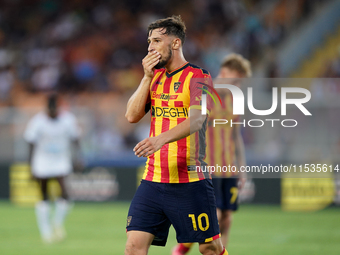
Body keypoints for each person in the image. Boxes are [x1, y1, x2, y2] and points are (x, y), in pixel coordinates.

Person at [124, 16, 227, 255]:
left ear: (176, 43)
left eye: (157, 40)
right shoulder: (155, 78)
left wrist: (158, 140)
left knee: (210, 248)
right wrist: (146, 77)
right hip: (153, 179)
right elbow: (131, 116)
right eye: (149, 41)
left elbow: (197, 119)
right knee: (133, 247)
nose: (150, 47)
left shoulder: (199, 76)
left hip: (190, 182)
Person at [172, 53, 252, 255]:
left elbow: (236, 136)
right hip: (207, 166)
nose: (238, 86)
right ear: (223, 73)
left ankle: (211, 251)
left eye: (240, 83)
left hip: (228, 167)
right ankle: (182, 248)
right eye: (235, 81)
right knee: (213, 216)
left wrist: (242, 168)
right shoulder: (202, 94)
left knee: (227, 218)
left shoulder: (235, 100)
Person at [24, 93, 81, 243]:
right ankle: (45, 231)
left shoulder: (68, 119)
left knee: (65, 194)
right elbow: (31, 143)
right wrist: (30, 166)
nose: (53, 112)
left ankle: (57, 223)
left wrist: (78, 157)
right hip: (42, 161)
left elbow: (75, 138)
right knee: (44, 195)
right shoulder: (37, 121)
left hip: (61, 160)